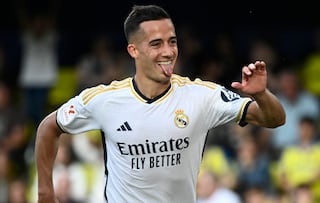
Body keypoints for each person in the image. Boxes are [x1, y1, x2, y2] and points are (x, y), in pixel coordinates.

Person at [35, 4, 285, 203]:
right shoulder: (104, 100)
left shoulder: (202, 96)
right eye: (156, 43)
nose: (168, 51)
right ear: (133, 50)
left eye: (172, 41)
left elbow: (274, 119)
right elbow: (49, 126)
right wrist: (46, 192)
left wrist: (261, 95)